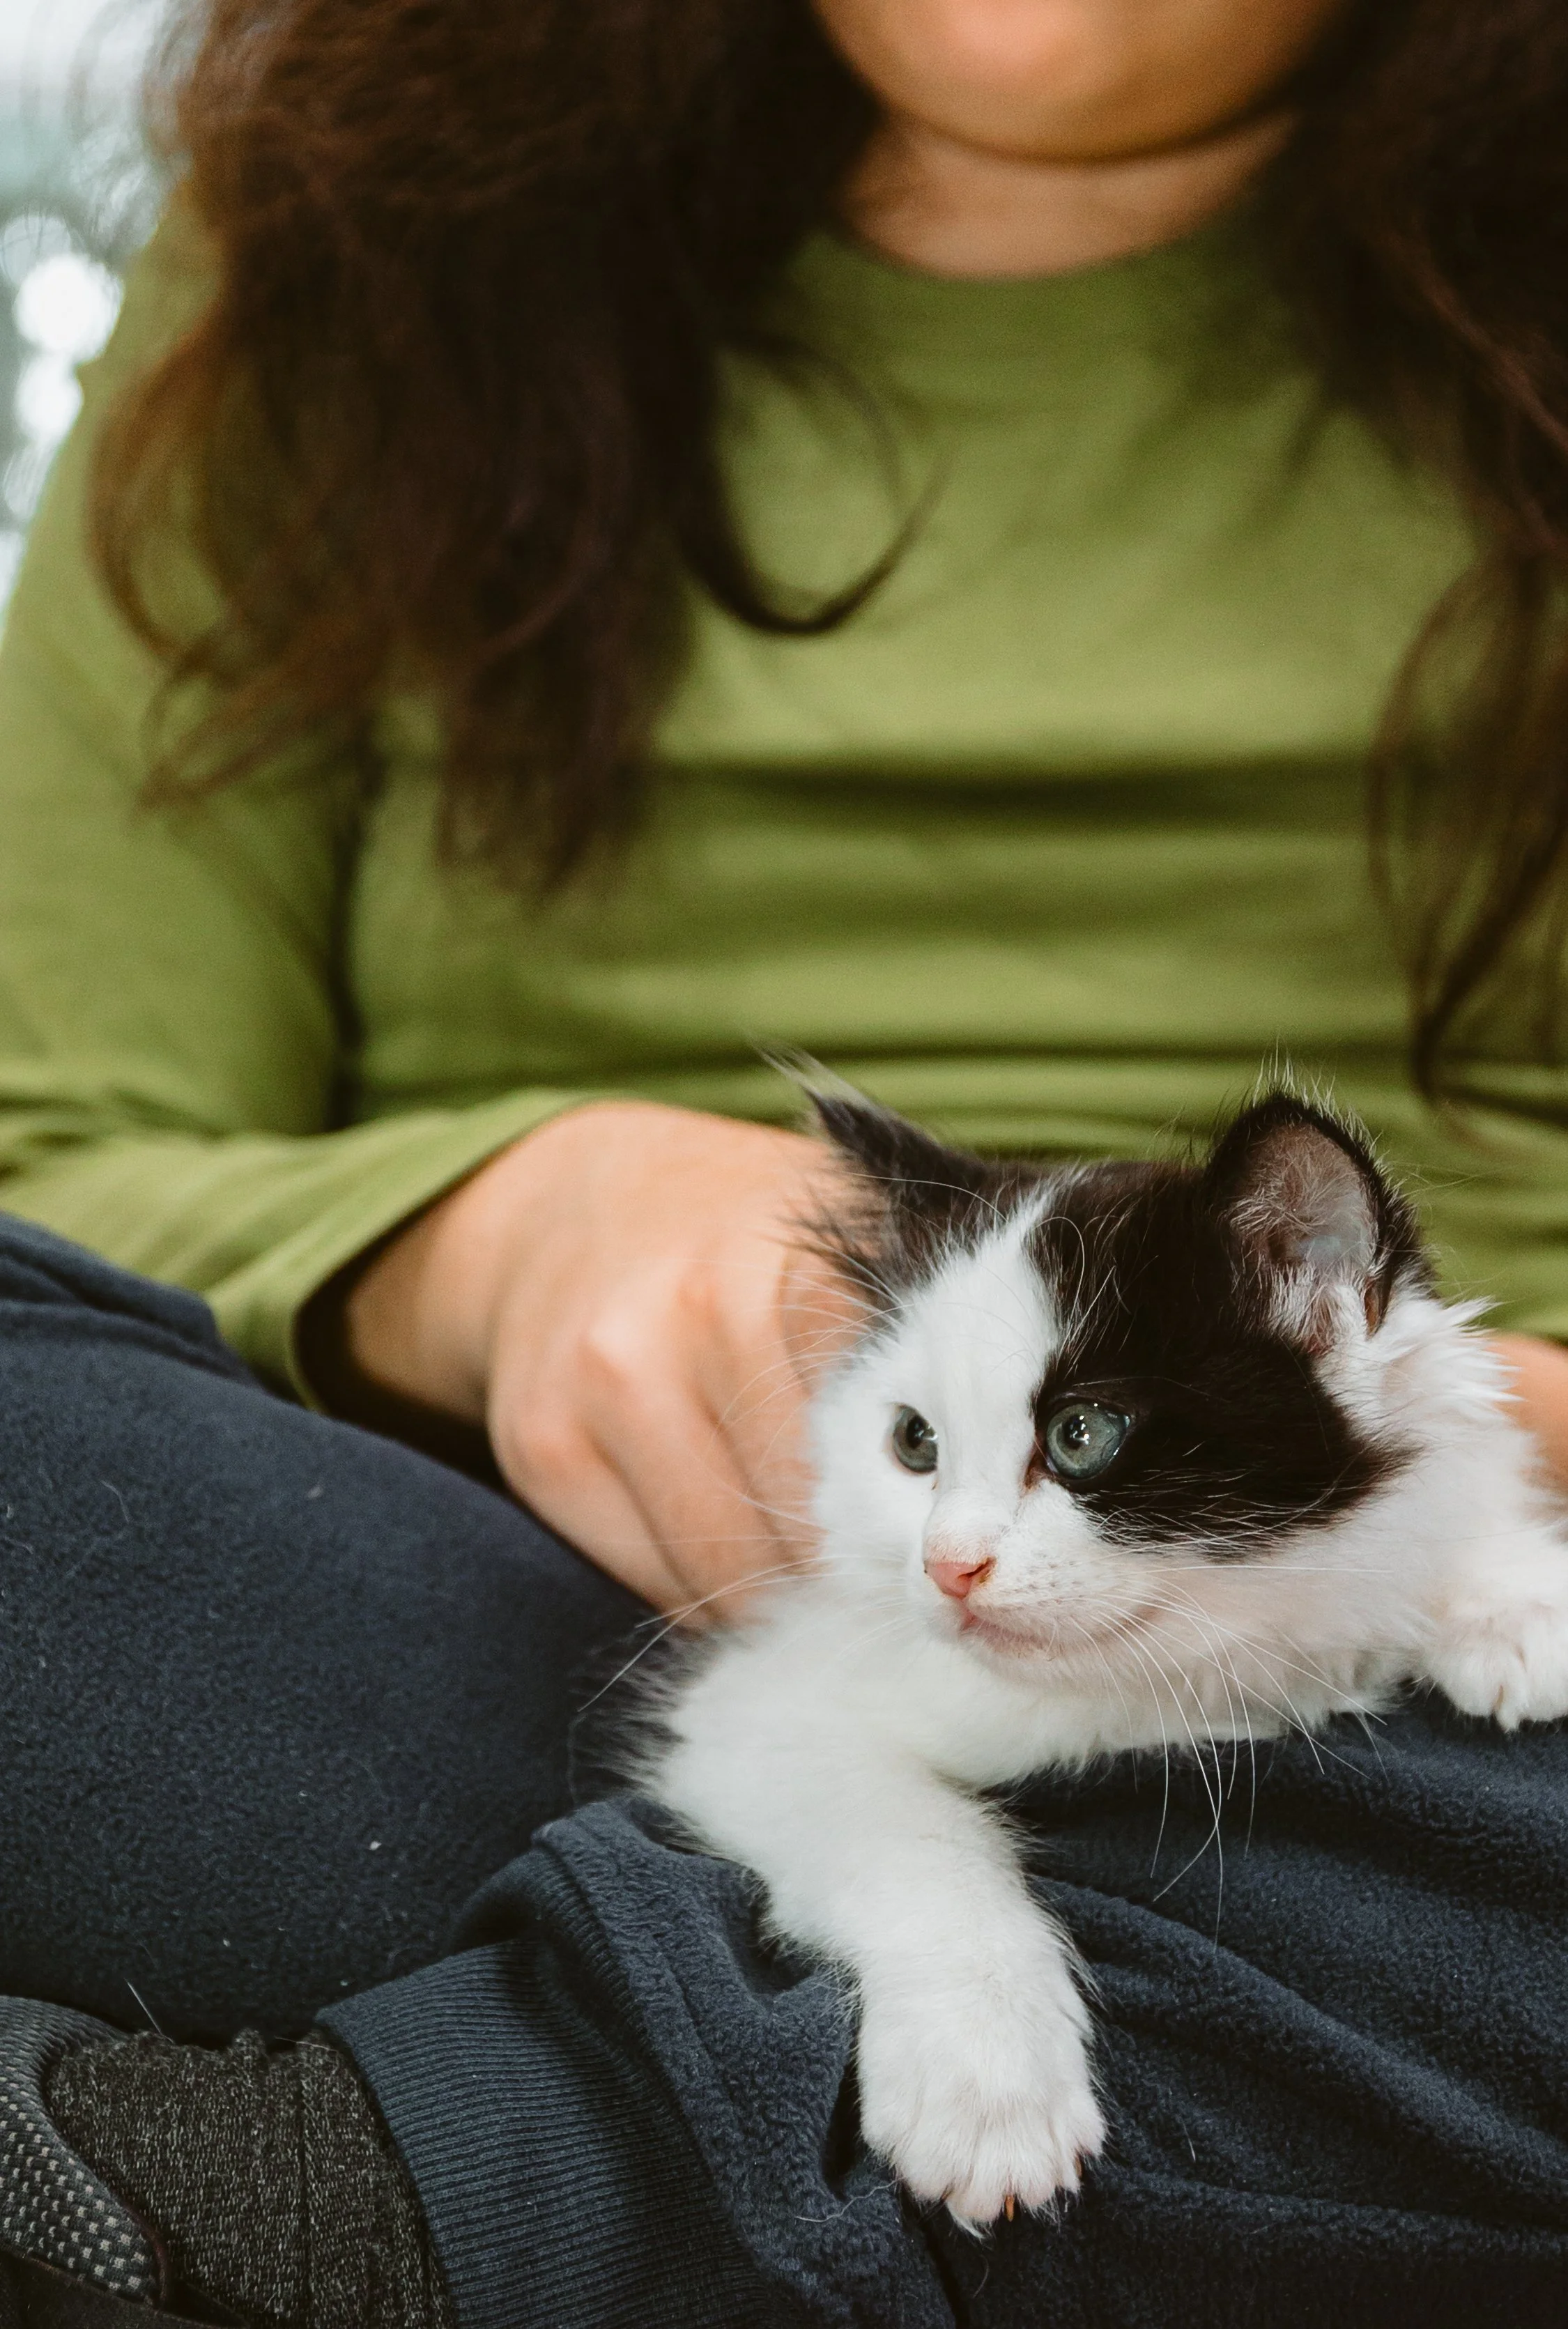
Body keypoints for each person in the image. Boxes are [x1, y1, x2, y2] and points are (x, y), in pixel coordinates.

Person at [1, 0, 1567, 2321]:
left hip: (1420, 1703)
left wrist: (1442, 1501)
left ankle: (374, 2185)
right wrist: (497, 1242)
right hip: (518, 1635)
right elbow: (48, 1153)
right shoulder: (345, 215)